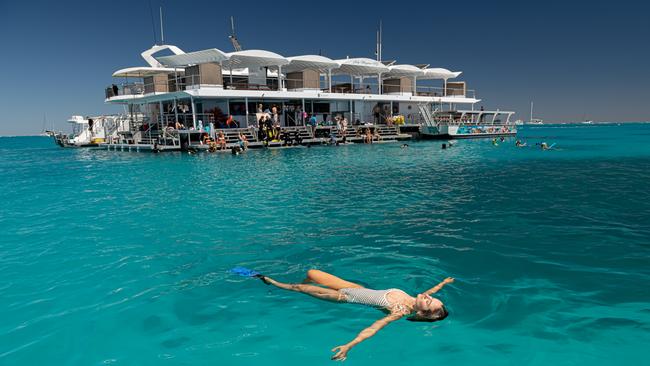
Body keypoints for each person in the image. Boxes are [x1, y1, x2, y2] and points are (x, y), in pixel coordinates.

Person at [254, 269, 454, 361]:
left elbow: (374, 328)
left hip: (342, 297)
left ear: (420, 312)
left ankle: (273, 283)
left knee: (300, 288)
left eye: (428, 300)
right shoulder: (415, 298)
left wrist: (349, 346)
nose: (427, 295)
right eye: (429, 297)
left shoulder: (399, 311)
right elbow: (432, 291)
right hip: (353, 288)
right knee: (312, 273)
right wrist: (443, 283)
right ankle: (301, 285)